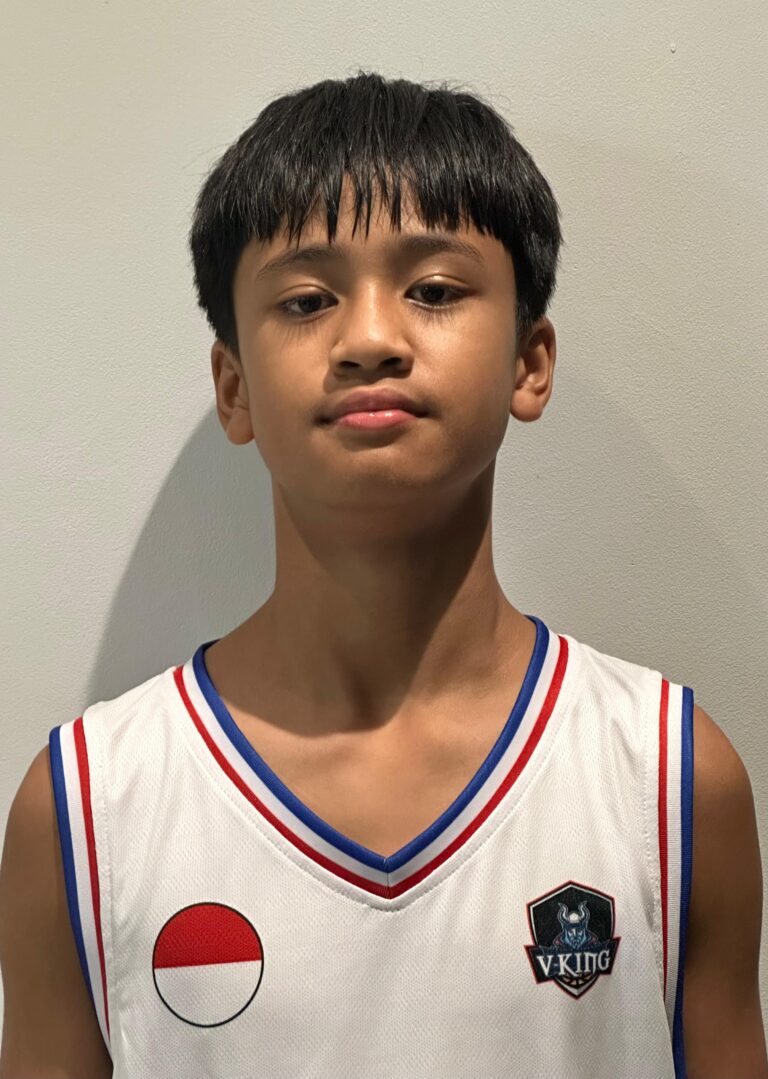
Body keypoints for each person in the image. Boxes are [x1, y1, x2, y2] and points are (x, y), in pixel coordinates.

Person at [1, 69, 765, 1079]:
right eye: (307, 299)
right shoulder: (85, 810)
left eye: (434, 290)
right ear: (233, 386)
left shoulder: (669, 780)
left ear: (530, 361)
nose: (369, 338)